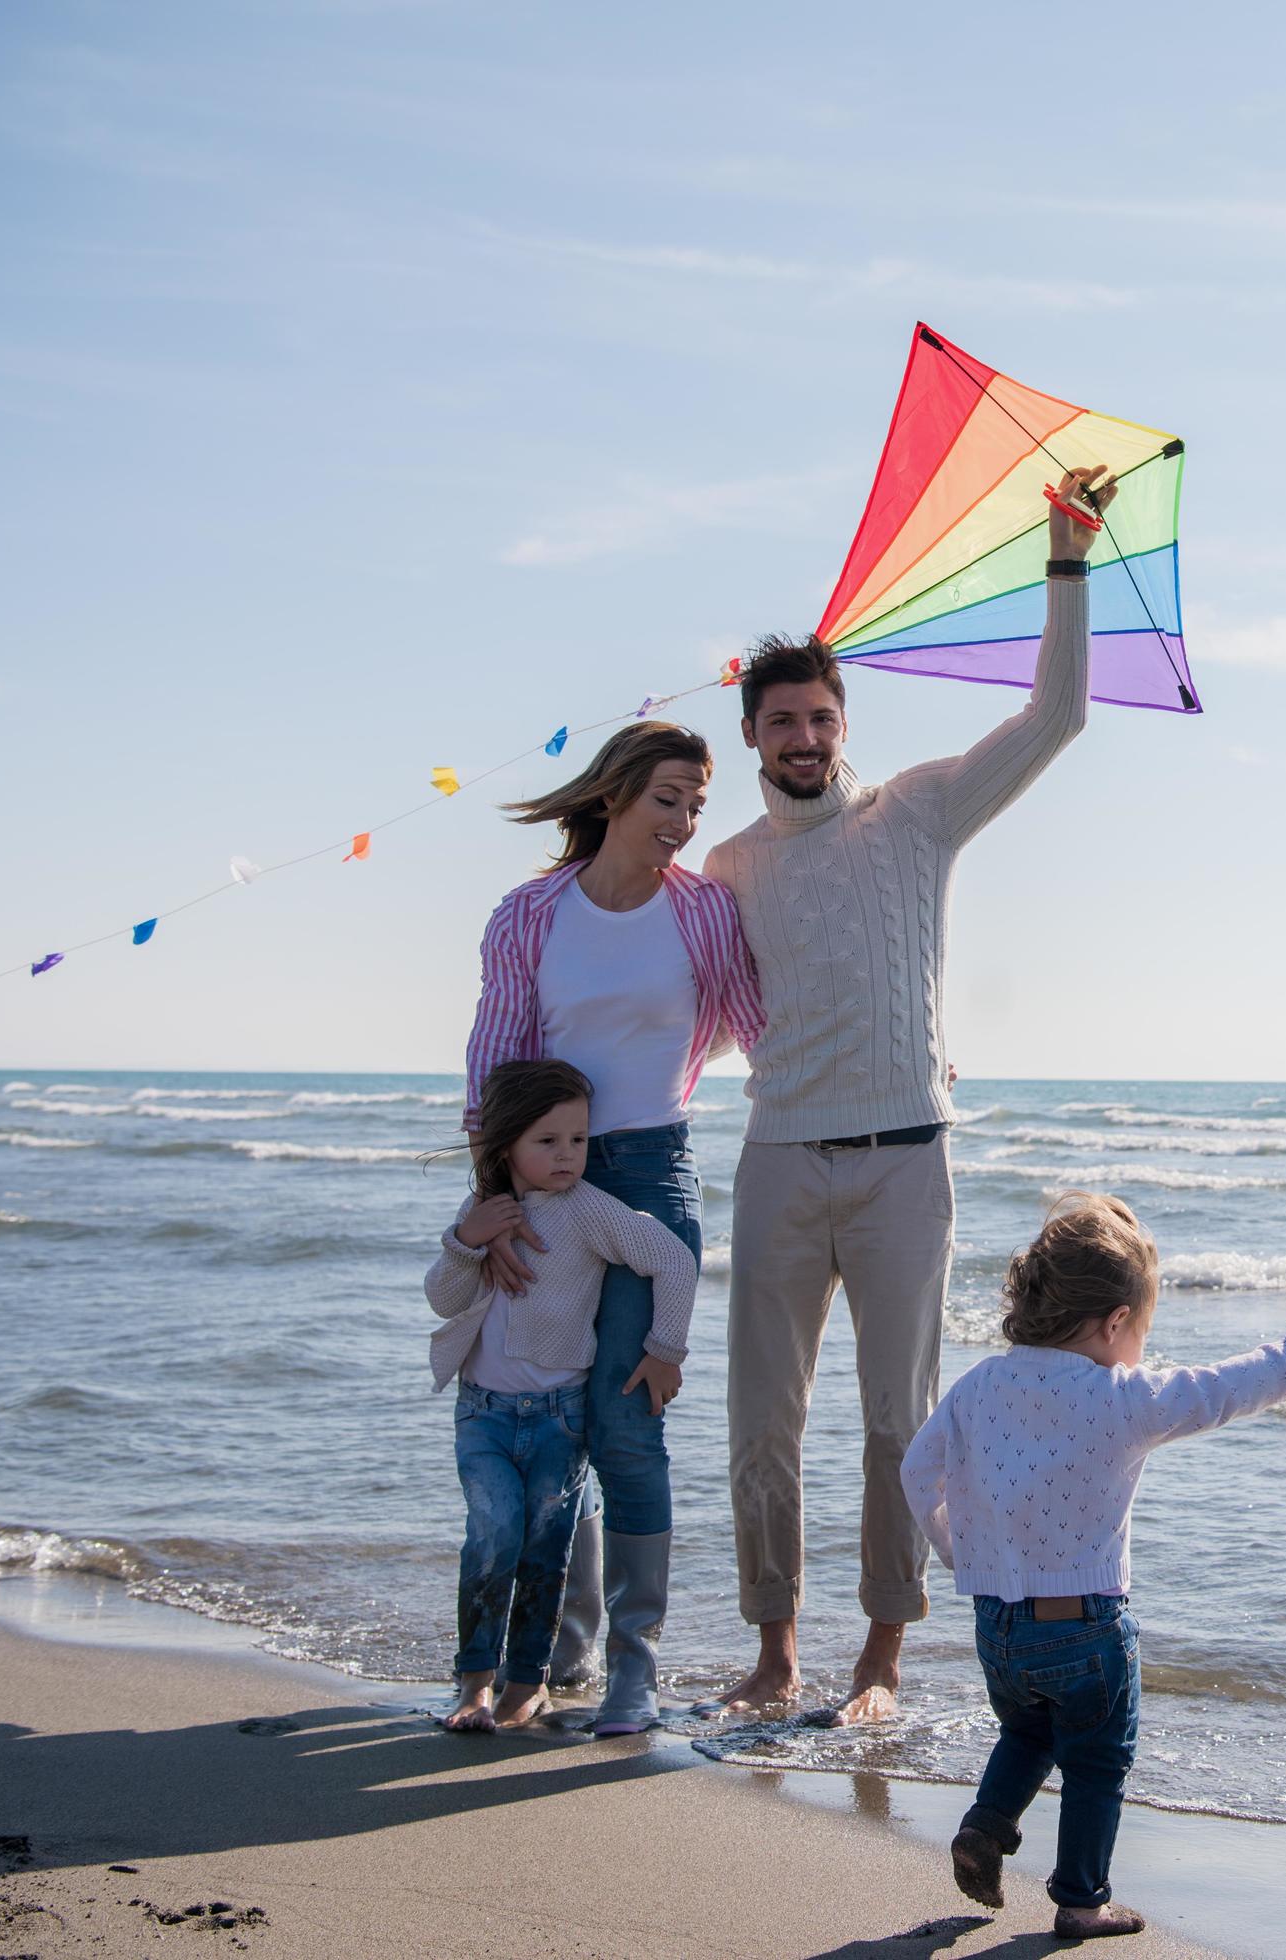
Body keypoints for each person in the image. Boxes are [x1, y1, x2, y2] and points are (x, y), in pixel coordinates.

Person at [699, 462, 1117, 1723]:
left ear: (843, 723)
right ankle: (775, 1655)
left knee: (900, 1426)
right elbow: (672, 999)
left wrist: (1065, 558)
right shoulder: (724, 867)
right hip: (780, 1159)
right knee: (763, 1427)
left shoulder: (920, 814)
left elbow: (1056, 718)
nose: (805, 739)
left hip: (903, 1165)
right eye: (782, 723)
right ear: (755, 738)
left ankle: (879, 1661)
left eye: (821, 718)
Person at [900, 1192, 1286, 1938]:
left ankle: (985, 1823)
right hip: (1085, 1629)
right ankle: (1080, 1899)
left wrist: (957, 1552)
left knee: (1028, 1734)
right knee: (1097, 1762)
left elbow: (916, 1472)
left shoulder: (979, 1386)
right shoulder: (1117, 1396)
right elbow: (1210, 1395)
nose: (1140, 1346)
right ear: (1111, 1324)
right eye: (1140, 1328)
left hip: (996, 1624)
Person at [459, 721, 762, 1734]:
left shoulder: (705, 911)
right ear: (616, 795)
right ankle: (556, 1651)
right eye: (668, 799)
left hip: (655, 1177)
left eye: (695, 805)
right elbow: (495, 1070)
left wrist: (895, 1064)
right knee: (552, 1414)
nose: (682, 823)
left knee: (629, 1423)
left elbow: (758, 1025)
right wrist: (488, 1200)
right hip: (547, 1180)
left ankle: (634, 1662)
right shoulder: (531, 915)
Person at [426, 1059, 700, 1733]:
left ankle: (527, 1685)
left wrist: (664, 1348)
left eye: (577, 1140)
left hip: (559, 1418)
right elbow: (443, 1299)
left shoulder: (587, 1211)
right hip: (483, 1414)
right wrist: (468, 1242)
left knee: (545, 1549)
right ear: (505, 1145)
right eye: (547, 1141)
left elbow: (672, 1259)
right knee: (493, 1535)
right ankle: (473, 1683)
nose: (567, 1155)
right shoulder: (483, 1212)